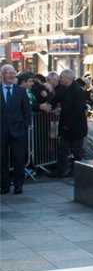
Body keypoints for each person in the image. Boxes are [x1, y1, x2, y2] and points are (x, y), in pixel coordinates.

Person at [41, 69, 88, 178]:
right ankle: (60, 170)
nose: (60, 79)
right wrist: (47, 105)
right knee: (62, 149)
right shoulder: (63, 88)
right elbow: (55, 99)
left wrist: (68, 124)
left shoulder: (78, 91)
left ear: (68, 78)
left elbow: (78, 110)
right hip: (65, 126)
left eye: (61, 77)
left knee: (77, 151)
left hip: (76, 126)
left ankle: (76, 171)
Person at [1, 65, 32, 194]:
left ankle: (19, 185)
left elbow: (27, 109)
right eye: (9, 73)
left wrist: (26, 124)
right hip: (2, 130)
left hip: (18, 130)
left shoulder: (20, 91)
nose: (12, 75)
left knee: (19, 158)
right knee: (2, 159)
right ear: (2, 74)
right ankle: (4, 185)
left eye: (14, 73)